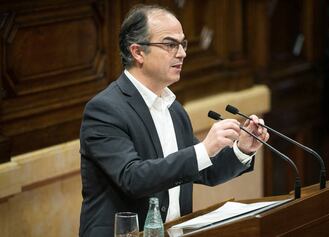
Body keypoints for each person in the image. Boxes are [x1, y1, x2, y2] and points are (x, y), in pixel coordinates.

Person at [78, 4, 269, 237]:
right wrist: (204, 148)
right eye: (170, 45)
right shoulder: (105, 110)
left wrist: (242, 150)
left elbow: (202, 170)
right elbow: (133, 178)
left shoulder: (174, 109)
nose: (182, 53)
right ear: (138, 52)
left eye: (183, 44)